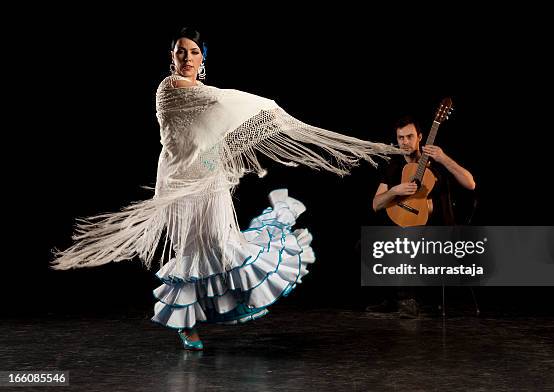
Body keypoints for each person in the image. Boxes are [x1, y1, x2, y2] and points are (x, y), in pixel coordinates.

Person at [52, 27, 402, 351]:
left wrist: (248, 132)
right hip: (178, 178)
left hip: (207, 175)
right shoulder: (169, 89)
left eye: (192, 52)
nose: (186, 58)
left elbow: (217, 141)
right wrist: (261, 109)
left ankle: (230, 302)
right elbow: (210, 114)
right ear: (171, 58)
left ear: (203, 58)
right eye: (180, 52)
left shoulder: (210, 98)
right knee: (191, 250)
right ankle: (185, 324)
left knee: (220, 243)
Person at [368, 115, 476, 318]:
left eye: (409, 136)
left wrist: (443, 158)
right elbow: (376, 204)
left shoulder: (437, 162)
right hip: (409, 226)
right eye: (400, 138)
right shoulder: (393, 166)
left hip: (440, 230)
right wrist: (395, 191)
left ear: (420, 137)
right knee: (365, 244)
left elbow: (471, 184)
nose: (405, 142)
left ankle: (409, 302)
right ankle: (395, 299)